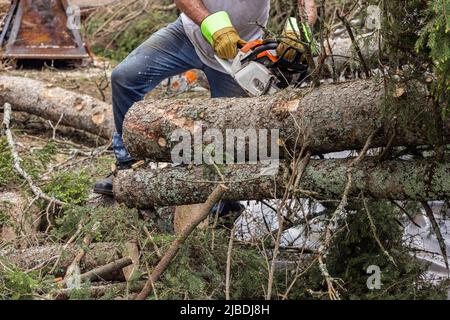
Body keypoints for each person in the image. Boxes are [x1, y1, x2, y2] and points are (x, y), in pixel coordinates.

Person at [94, 0, 318, 197]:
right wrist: (209, 23)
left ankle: (221, 203)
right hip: (189, 35)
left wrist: (300, 30)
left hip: (239, 55)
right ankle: (128, 164)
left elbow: (306, 3)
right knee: (125, 76)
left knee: (228, 135)